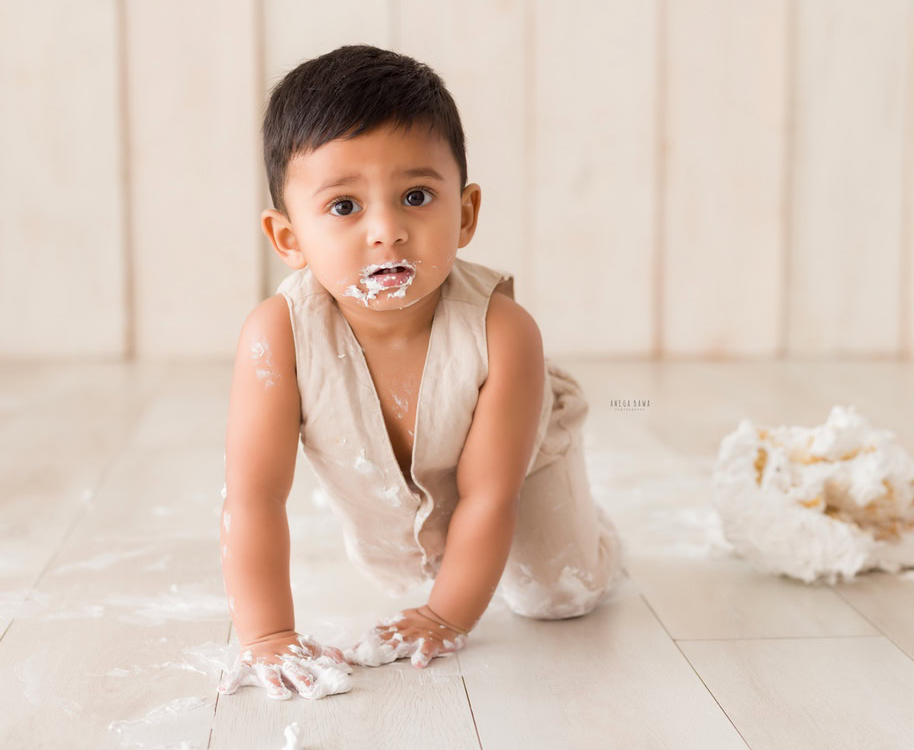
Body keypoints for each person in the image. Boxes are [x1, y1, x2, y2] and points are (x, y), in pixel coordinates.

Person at [217, 45, 623, 701]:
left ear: (463, 215)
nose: (387, 230)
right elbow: (254, 498)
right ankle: (439, 548)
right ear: (288, 238)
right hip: (398, 480)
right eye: (344, 206)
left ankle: (593, 529)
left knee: (556, 591)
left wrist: (446, 615)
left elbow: (491, 495)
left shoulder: (503, 333)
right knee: (401, 563)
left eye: (415, 196)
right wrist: (267, 634)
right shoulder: (278, 336)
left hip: (518, 459)